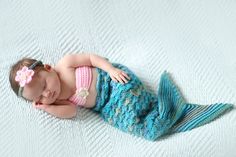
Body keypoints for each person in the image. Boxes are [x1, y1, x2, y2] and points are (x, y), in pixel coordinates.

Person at [9, 53, 233, 141]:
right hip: (107, 107)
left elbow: (90, 58)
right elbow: (72, 111)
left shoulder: (65, 65)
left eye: (45, 85)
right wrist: (49, 108)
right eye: (41, 96)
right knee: (142, 128)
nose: (48, 93)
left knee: (135, 99)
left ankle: (167, 105)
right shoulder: (57, 101)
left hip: (113, 83)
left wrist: (111, 69)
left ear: (48, 68)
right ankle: (166, 114)